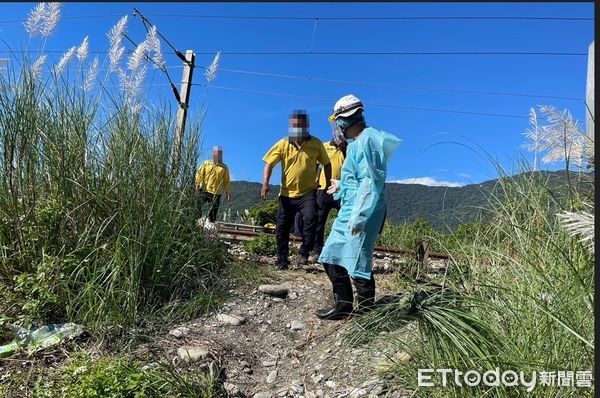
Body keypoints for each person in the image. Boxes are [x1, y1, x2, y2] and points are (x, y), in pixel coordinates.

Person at [316, 95, 401, 320]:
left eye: (337, 122)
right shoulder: (357, 144)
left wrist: (360, 217)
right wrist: (341, 185)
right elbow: (357, 179)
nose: (336, 127)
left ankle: (366, 313)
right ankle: (343, 304)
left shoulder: (367, 141)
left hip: (363, 211)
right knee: (331, 255)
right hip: (351, 209)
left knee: (358, 259)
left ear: (345, 120)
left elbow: (371, 182)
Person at [261, 110, 332, 269]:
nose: (297, 128)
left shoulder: (316, 143)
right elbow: (269, 164)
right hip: (286, 194)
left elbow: (327, 163)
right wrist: (265, 183)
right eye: (294, 126)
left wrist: (327, 184)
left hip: (307, 193)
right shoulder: (283, 143)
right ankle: (282, 259)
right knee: (282, 227)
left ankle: (304, 253)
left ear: (306, 126)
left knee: (311, 218)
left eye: (300, 125)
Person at [195, 146, 232, 223]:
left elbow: (226, 180)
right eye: (216, 153)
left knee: (213, 212)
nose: (217, 155)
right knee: (197, 206)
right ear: (213, 154)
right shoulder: (206, 163)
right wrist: (197, 183)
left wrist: (228, 192)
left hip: (216, 193)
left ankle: (211, 225)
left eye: (219, 154)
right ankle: (196, 221)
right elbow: (200, 174)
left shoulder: (224, 167)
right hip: (204, 190)